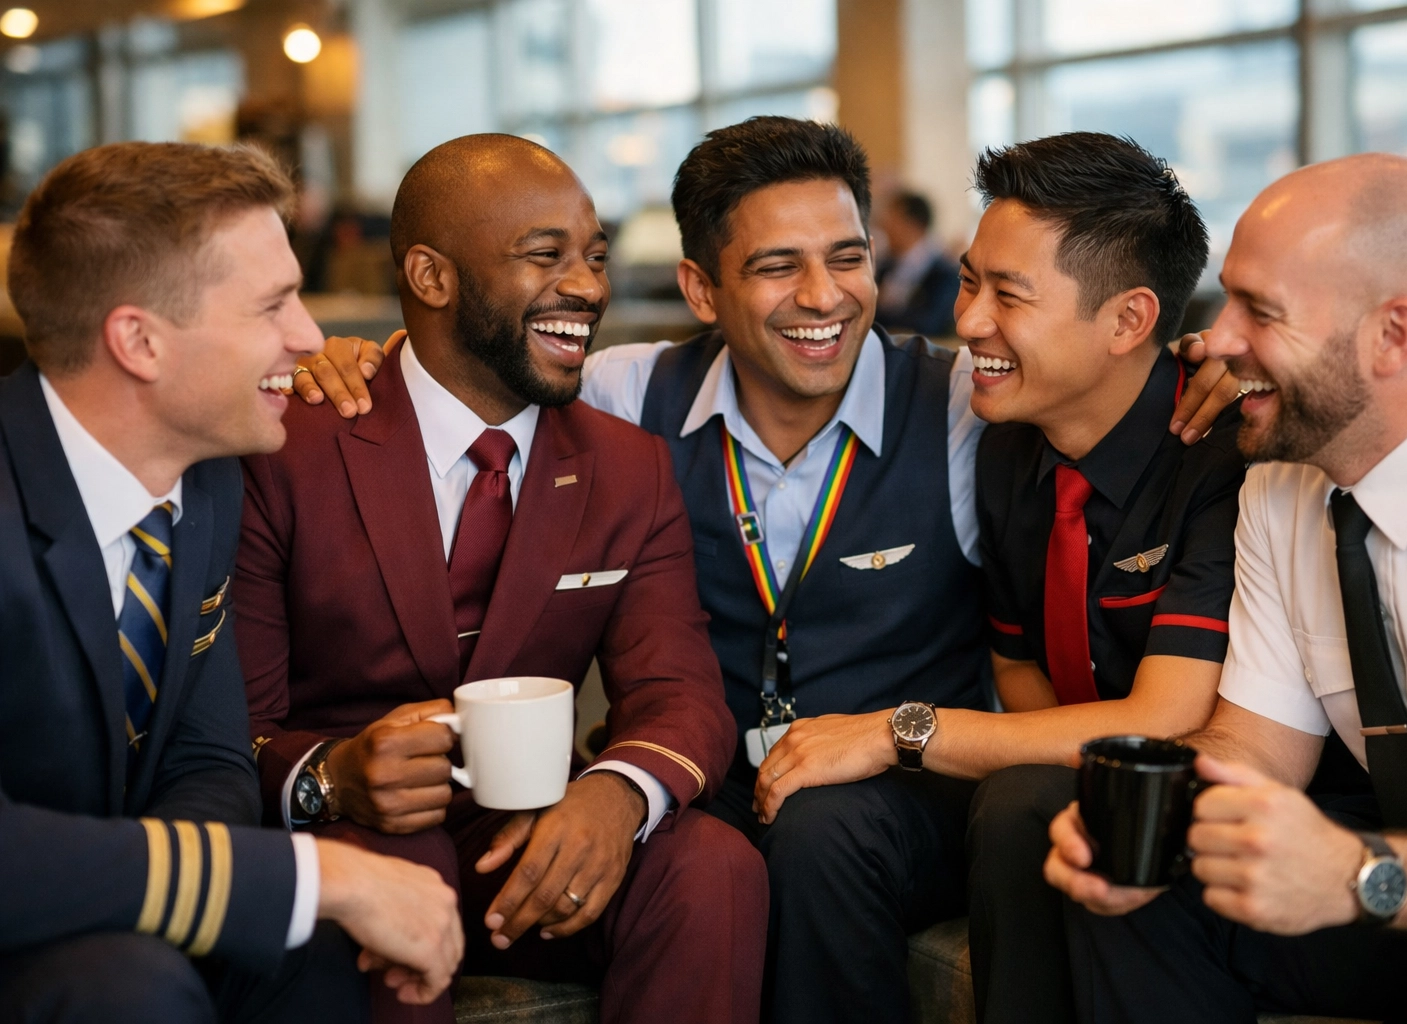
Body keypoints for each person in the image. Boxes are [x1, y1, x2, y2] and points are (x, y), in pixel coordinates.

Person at [294, 117, 1239, 1024]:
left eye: (849, 257)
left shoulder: (964, 403)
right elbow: (475, 372)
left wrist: (1214, 364)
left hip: (895, 805)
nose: (825, 297)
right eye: (778, 266)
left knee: (820, 834)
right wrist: (358, 364)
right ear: (701, 290)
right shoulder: (626, 395)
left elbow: (1095, 379)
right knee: (709, 854)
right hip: (710, 781)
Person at [235, 133, 767, 1024]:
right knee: (400, 872)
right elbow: (228, 731)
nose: (588, 287)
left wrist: (617, 792)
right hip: (350, 834)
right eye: (545, 255)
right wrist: (334, 775)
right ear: (432, 277)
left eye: (595, 256)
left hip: (527, 832)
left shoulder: (627, 469)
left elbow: (682, 696)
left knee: (714, 866)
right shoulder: (288, 444)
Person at [750, 131, 1249, 1023]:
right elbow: (1017, 664)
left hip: (1212, 789)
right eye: (969, 281)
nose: (971, 320)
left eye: (1008, 295)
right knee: (885, 816)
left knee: (1026, 801)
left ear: (1129, 321)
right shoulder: (1006, 441)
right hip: (1053, 774)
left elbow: (1167, 718)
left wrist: (902, 730)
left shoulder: (1221, 455)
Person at [1045, 153, 1407, 1024]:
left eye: (1260, 311)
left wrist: (1356, 874)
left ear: (1393, 335)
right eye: (1226, 299)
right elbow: (1260, 743)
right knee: (1129, 879)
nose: (1214, 340)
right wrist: (1155, 816)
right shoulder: (1286, 477)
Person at [0, 141, 462, 1023]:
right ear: (139, 341)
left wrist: (198, 902)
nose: (311, 337)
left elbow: (206, 760)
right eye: (272, 305)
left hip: (110, 910)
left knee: (315, 952)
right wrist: (308, 875)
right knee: (131, 987)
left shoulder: (207, 480)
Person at [875, 189, 961, 337]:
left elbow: (930, 323)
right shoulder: (885, 265)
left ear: (913, 224)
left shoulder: (944, 272)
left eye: (892, 219)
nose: (885, 226)